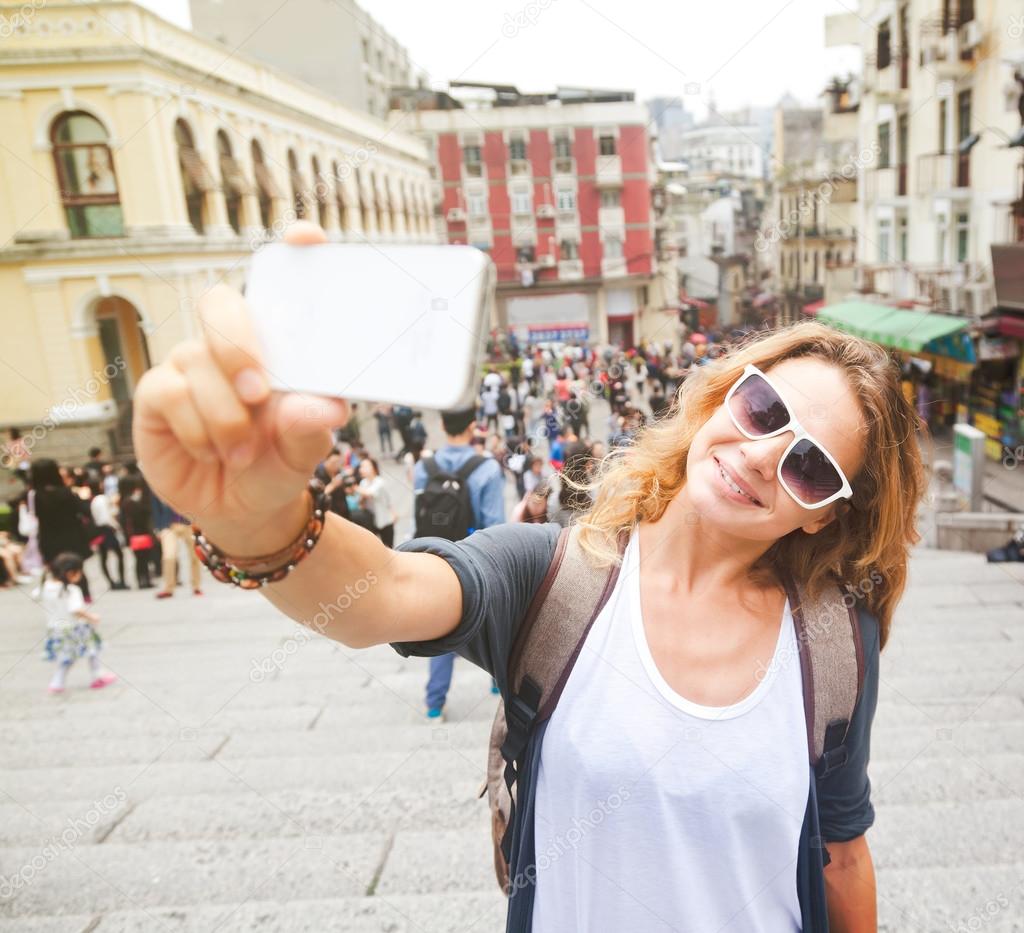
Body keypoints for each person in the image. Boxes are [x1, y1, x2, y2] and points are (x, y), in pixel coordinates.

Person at [131, 221, 927, 930]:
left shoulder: (832, 641)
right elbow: (378, 595)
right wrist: (255, 522)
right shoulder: (553, 577)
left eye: (811, 468)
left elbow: (841, 855)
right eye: (763, 410)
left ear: (825, 513)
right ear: (723, 396)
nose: (762, 454)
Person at [412, 407, 505, 719]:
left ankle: (434, 703)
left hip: (435, 559)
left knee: (438, 627)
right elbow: (494, 526)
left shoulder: (424, 467)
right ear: (473, 425)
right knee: (494, 622)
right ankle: (498, 682)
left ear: (440, 423)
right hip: (474, 559)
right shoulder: (487, 468)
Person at [36, 552, 117, 694]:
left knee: (66, 657)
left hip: (55, 629)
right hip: (74, 628)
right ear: (71, 573)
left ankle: (57, 682)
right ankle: (97, 675)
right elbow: (75, 609)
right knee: (92, 651)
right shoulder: (71, 590)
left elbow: (35, 594)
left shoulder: (46, 587)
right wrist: (91, 617)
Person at [31, 459, 94, 602]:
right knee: (76, 570)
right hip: (73, 538)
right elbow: (84, 511)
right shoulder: (66, 493)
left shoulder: (35, 496)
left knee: (57, 571)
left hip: (49, 540)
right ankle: (83, 599)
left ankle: (63, 601)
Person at [152, 493, 203, 599]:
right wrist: (158, 528)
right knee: (169, 556)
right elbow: (155, 506)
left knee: (195, 556)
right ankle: (168, 588)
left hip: (188, 523)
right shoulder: (157, 481)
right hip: (168, 525)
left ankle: (196, 586)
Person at [89, 481, 127, 590]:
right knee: (118, 554)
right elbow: (107, 517)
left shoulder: (94, 501)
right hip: (107, 529)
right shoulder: (102, 499)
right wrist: (116, 526)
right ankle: (120, 580)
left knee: (104, 557)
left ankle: (112, 582)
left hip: (100, 529)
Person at [357, 456, 395, 547]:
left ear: (374, 468)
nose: (362, 469)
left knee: (389, 546)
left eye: (365, 466)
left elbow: (370, 493)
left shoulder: (380, 481)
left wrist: (354, 488)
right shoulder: (363, 483)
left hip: (384, 520)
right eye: (361, 467)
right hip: (371, 520)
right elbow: (361, 502)